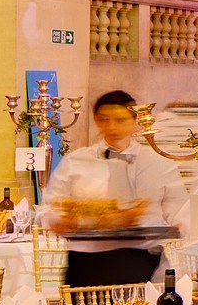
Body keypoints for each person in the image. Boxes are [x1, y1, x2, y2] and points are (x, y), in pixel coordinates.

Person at [41, 91, 188, 293]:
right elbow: (49, 206)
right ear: (96, 121)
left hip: (141, 260)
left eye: (120, 120)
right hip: (84, 261)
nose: (112, 127)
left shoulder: (159, 164)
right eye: (104, 120)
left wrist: (179, 225)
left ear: (135, 120)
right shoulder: (75, 161)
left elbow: (180, 211)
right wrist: (58, 221)